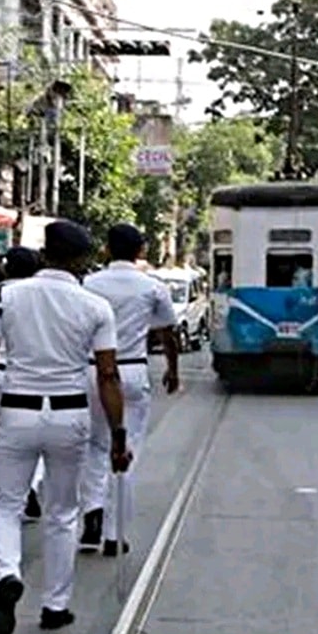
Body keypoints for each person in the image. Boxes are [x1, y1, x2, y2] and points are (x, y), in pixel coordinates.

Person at [0, 220, 128, 634]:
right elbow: (108, 375)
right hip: (70, 415)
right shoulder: (95, 306)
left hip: (17, 411)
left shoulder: (2, 296)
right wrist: (119, 434)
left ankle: (9, 573)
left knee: (4, 506)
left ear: (43, 253)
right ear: (82, 260)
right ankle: (55, 605)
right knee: (62, 512)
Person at [77, 224, 180, 557]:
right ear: (140, 251)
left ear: (106, 249)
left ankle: (92, 510)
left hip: (92, 371)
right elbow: (168, 333)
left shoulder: (88, 284)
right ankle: (113, 532)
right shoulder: (152, 287)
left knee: (94, 447)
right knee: (126, 449)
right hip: (132, 371)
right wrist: (172, 370)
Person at [0, 246, 46, 520]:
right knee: (34, 438)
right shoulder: (43, 298)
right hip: (28, 375)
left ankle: (3, 491)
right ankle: (29, 485)